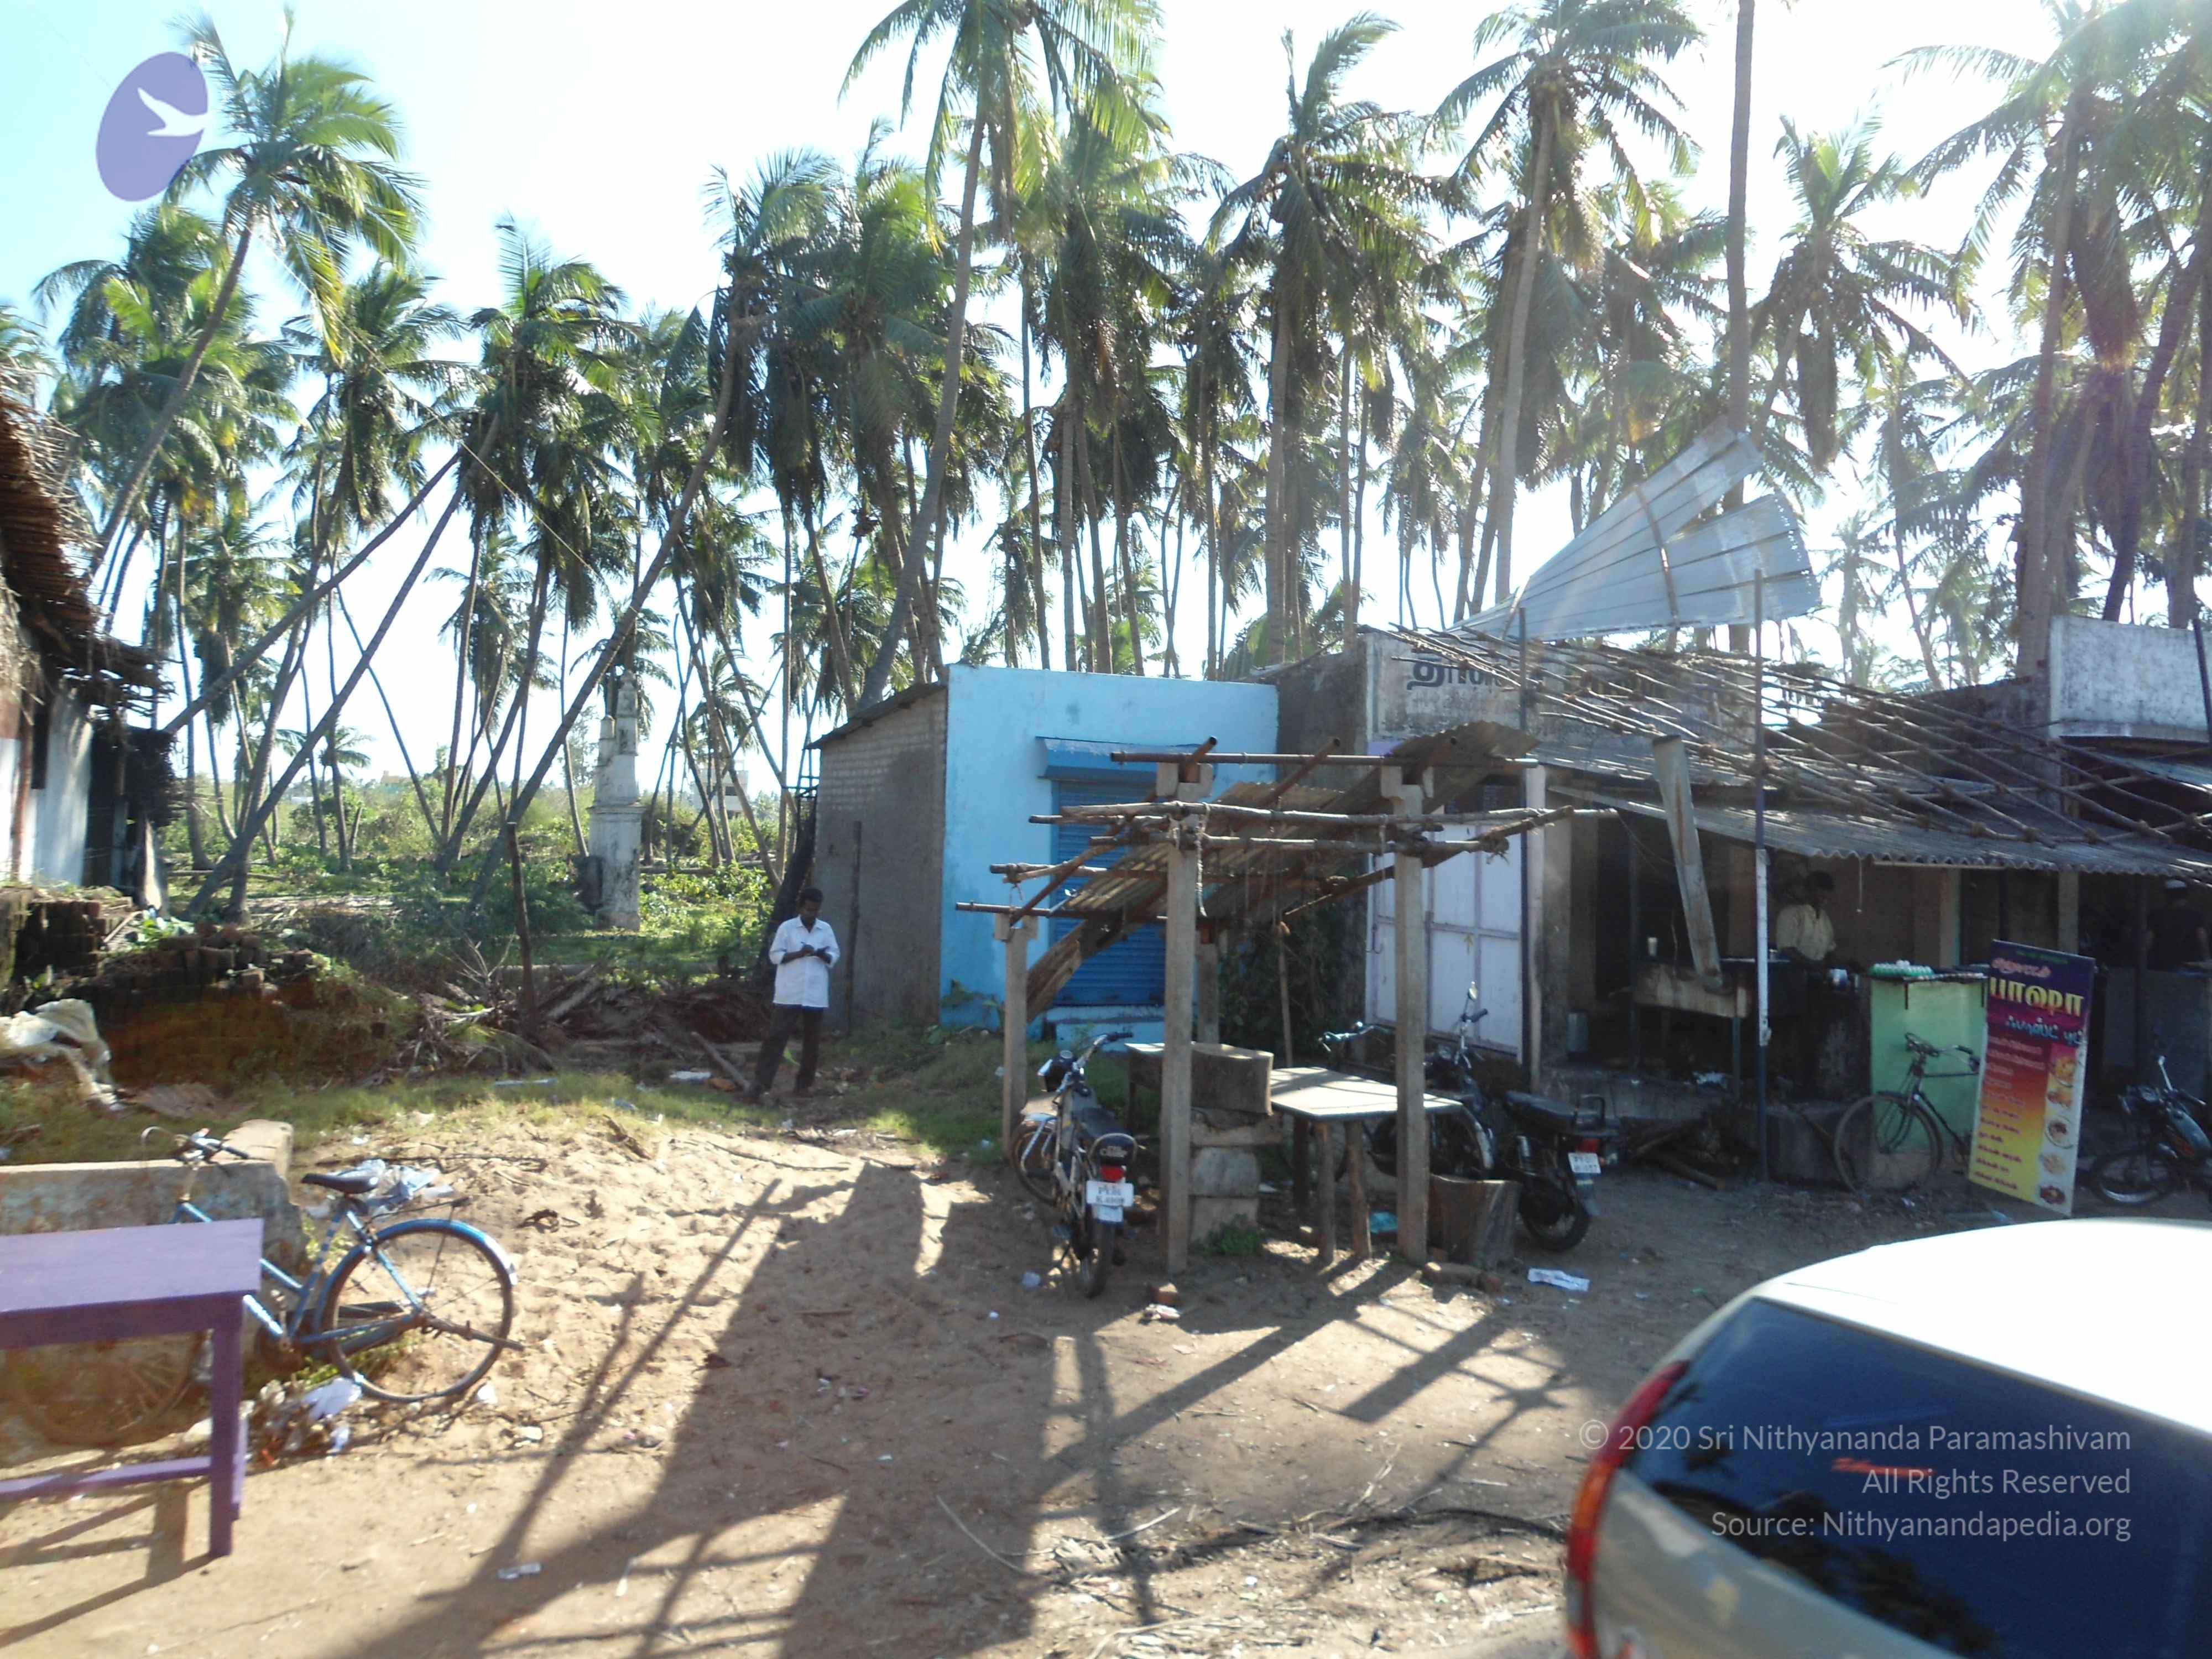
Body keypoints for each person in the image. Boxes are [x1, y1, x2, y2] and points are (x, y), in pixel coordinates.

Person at [750, 888, 839, 1098]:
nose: (811, 914)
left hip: (815, 994)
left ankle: (804, 1086)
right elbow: (775, 956)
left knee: (812, 1042)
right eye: (808, 910)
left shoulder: (825, 929)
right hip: (790, 992)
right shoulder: (788, 928)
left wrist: (820, 954)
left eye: (815, 910)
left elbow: (834, 956)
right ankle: (761, 1084)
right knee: (776, 1038)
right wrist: (799, 954)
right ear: (801, 908)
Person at [1773, 870, 1838, 965]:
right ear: (1808, 891)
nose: (1824, 899)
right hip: (1792, 970)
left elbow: (1829, 949)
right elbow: (1787, 949)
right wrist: (1813, 965)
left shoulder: (1824, 917)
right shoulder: (1790, 914)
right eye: (1820, 894)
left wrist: (1839, 966)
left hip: (1818, 971)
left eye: (1826, 894)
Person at [2147, 879, 2210, 971]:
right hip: (2189, 964)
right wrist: (2206, 959)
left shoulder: (2155, 915)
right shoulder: (2195, 915)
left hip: (2160, 964)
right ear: (2186, 896)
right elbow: (2202, 939)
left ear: (2167, 896)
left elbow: (2148, 941)